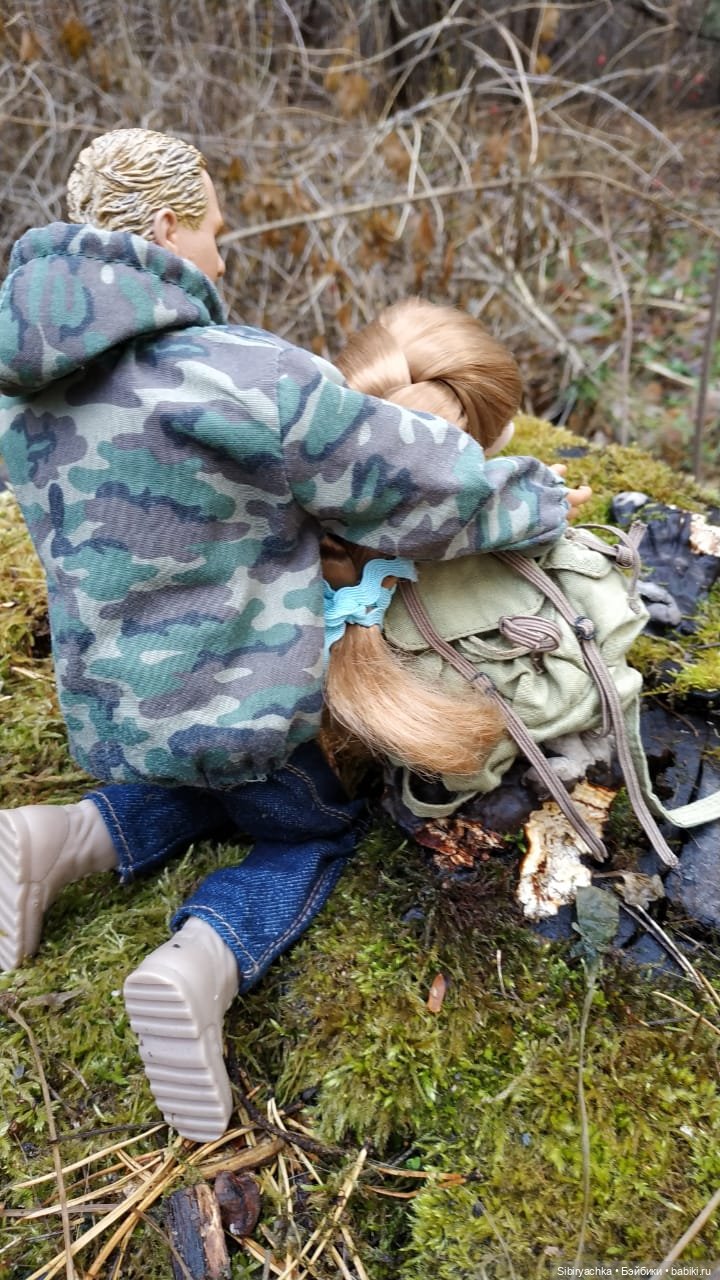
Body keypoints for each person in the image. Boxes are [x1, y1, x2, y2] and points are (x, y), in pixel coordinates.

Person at [0, 127, 577, 1142]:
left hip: (125, 723)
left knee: (185, 787)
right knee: (314, 827)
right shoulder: (239, 372)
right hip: (265, 728)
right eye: (217, 235)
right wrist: (534, 494)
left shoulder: (29, 394)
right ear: (168, 227)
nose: (224, 260)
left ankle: (58, 838)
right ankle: (204, 955)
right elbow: (412, 486)